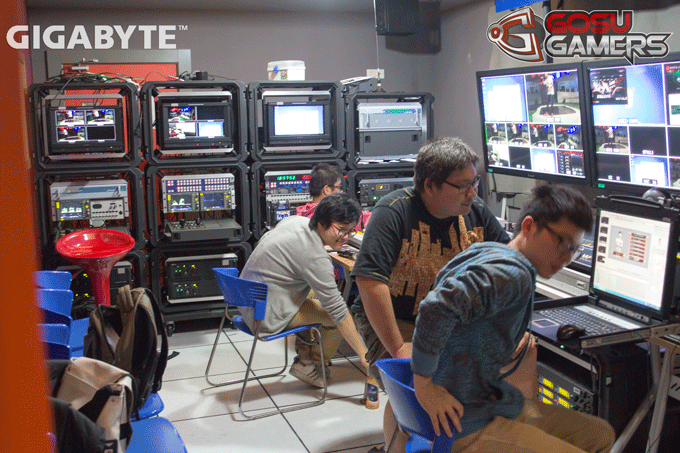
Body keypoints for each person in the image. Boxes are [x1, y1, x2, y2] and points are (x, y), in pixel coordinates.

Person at [411, 184, 615, 453]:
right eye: (561, 242)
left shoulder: (488, 251)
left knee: (599, 434)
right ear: (529, 226)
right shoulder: (513, 274)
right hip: (463, 421)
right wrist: (424, 385)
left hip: (487, 401)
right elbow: (435, 308)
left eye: (574, 249)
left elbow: (448, 298)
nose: (566, 258)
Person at [350, 137, 524, 445]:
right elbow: (369, 281)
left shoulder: (476, 212)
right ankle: (400, 444)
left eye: (475, 182)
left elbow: (508, 264)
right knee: (412, 381)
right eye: (463, 186)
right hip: (398, 319)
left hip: (447, 321)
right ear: (430, 185)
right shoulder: (393, 212)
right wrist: (397, 347)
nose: (473, 193)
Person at [239, 192, 369, 387]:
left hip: (248, 300)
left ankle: (305, 354)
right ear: (322, 222)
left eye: (351, 231)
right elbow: (338, 312)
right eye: (341, 230)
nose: (346, 237)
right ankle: (309, 365)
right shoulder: (315, 257)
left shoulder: (296, 221)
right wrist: (364, 356)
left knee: (315, 294)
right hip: (264, 315)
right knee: (337, 317)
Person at [297, 163, 372, 229]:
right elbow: (365, 219)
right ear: (326, 190)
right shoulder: (331, 215)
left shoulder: (302, 213)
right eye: (338, 187)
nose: (341, 192)